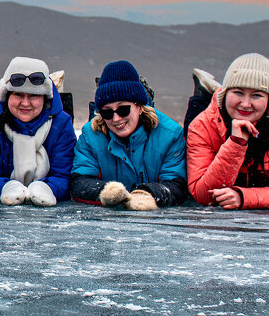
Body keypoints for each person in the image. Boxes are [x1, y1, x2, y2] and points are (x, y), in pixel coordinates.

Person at [185, 53, 269, 210]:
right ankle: (203, 94)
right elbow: (204, 195)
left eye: (256, 95)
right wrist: (236, 144)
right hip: (213, 120)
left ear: (268, 100)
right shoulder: (201, 126)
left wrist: (244, 197)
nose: (245, 104)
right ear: (225, 94)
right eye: (238, 92)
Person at [70, 61, 187, 210]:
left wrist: (148, 195)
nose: (116, 118)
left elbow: (177, 186)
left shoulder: (170, 134)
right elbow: (79, 182)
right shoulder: (90, 135)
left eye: (123, 109)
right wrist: (108, 192)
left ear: (139, 107)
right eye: (107, 112)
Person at [0, 56, 76, 206]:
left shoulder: (61, 123)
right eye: (18, 94)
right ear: (6, 94)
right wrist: (5, 188)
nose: (25, 103)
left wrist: (48, 188)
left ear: (44, 97)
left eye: (34, 95)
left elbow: (64, 175)